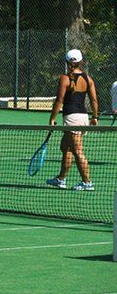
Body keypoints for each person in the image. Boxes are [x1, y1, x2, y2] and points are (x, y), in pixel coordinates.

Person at [47, 48, 99, 191]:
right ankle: (61, 179)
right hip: (83, 117)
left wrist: (52, 119)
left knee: (77, 150)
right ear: (81, 62)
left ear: (67, 62)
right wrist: (94, 117)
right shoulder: (88, 79)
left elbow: (59, 100)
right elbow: (94, 100)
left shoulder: (65, 78)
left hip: (72, 118)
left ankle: (87, 182)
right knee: (65, 147)